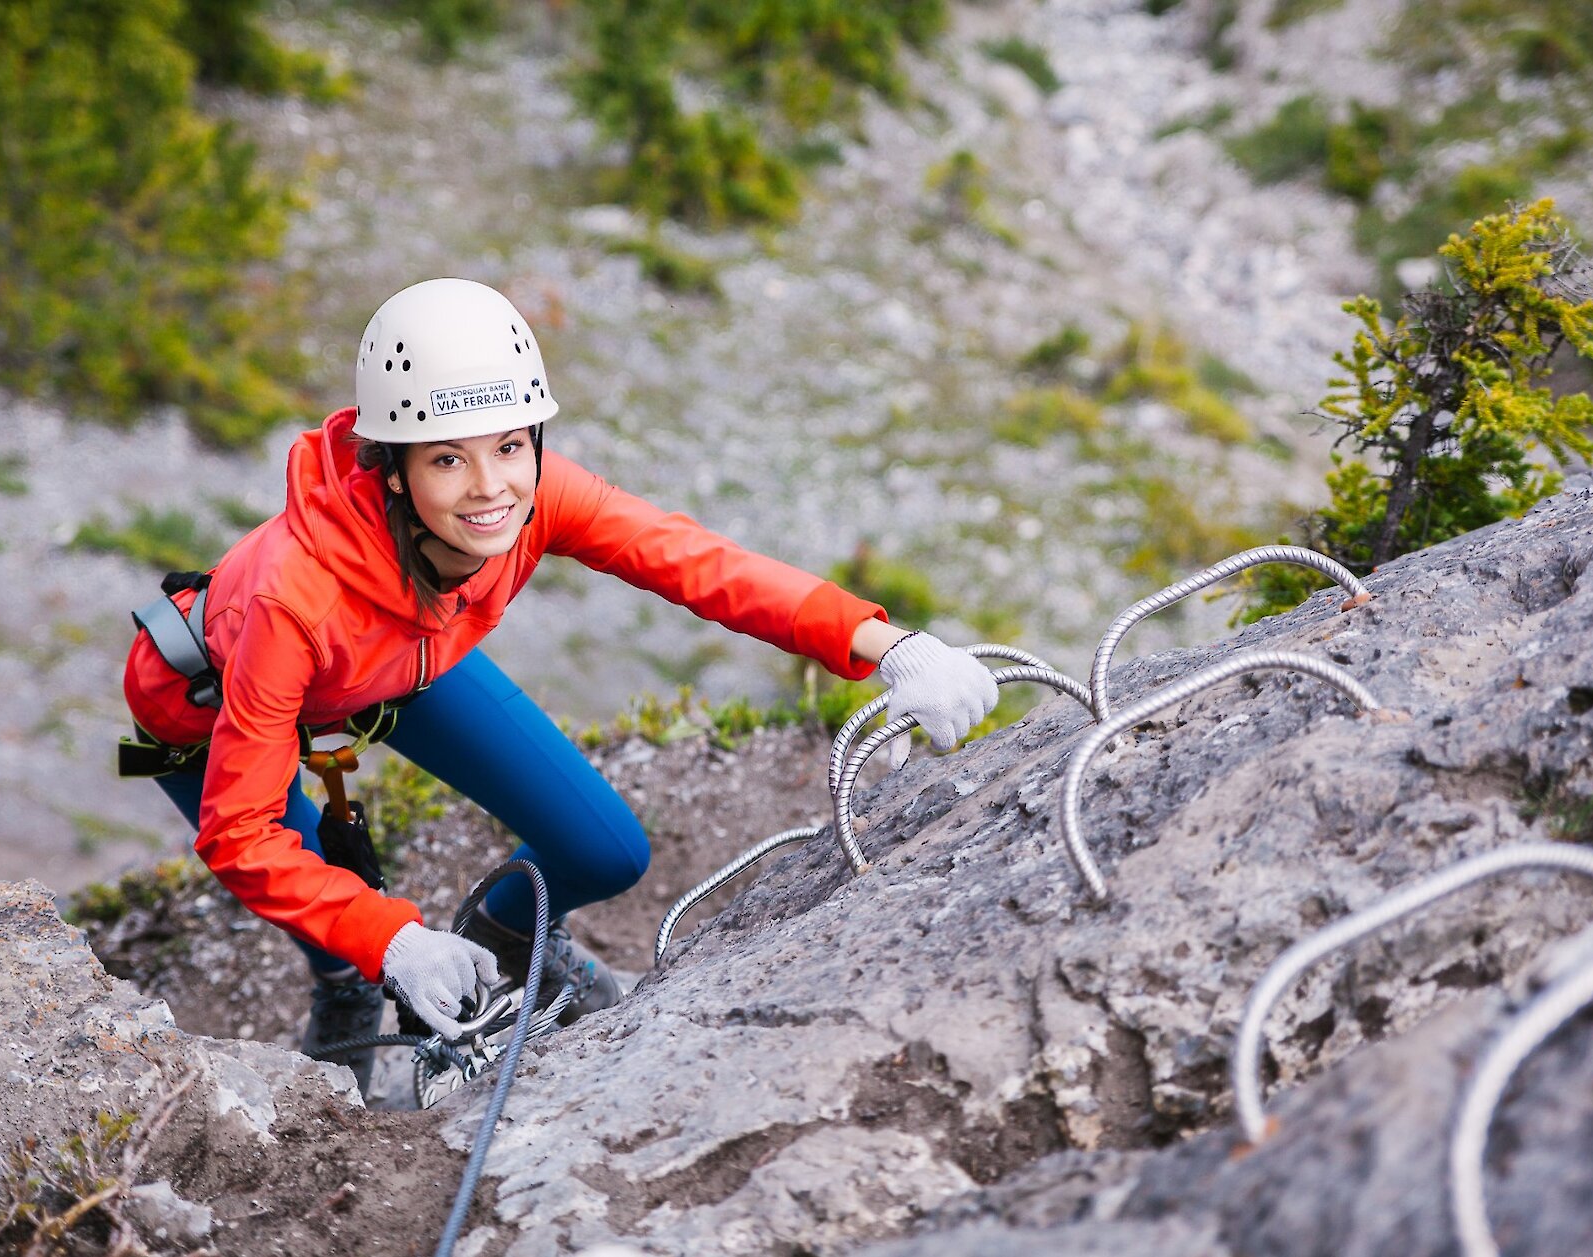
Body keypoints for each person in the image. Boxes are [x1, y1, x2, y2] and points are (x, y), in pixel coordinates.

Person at [118, 278, 1000, 1086]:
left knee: (604, 850)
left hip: (391, 662)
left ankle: (497, 937)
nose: (491, 489)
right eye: (447, 459)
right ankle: (345, 995)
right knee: (332, 909)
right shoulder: (292, 599)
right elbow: (243, 833)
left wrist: (885, 642)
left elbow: (695, 562)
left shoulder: (539, 498)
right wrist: (390, 940)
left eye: (509, 446)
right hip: (207, 709)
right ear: (391, 466)